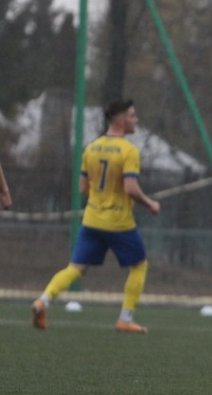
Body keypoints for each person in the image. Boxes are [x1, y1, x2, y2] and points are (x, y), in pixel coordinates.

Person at [32, 99, 161, 333]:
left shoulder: (91, 148)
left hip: (92, 219)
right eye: (132, 115)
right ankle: (125, 318)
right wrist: (150, 203)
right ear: (121, 119)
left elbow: (83, 188)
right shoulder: (128, 150)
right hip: (119, 222)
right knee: (139, 265)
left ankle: (43, 301)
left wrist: (100, 198)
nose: (136, 120)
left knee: (76, 267)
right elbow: (131, 188)